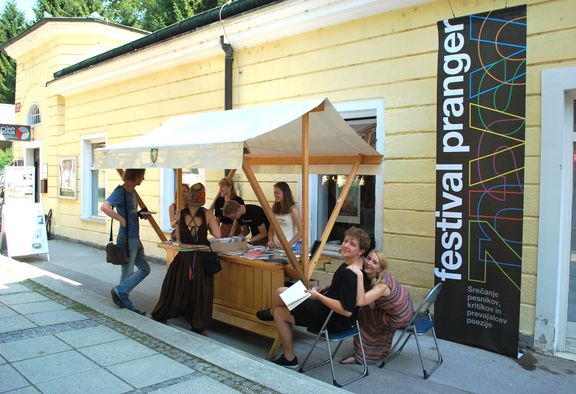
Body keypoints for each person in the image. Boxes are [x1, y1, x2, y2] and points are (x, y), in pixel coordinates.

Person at [257, 227, 371, 368]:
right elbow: (347, 291)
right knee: (280, 312)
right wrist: (327, 287)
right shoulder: (357, 265)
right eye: (345, 241)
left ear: (361, 251)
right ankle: (289, 358)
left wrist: (318, 296)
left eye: (352, 244)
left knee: (281, 292)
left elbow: (346, 311)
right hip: (331, 314)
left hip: (331, 320)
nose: (346, 245)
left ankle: (271, 312)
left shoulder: (350, 274)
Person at [152, 182, 221, 334]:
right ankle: (199, 324)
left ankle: (163, 313)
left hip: (184, 256)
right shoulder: (208, 214)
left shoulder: (180, 213)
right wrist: (212, 222)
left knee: (175, 287)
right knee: (202, 291)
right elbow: (218, 235)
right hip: (202, 257)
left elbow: (178, 237)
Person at [340, 250, 414, 365]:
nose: (369, 263)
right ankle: (381, 351)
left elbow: (361, 301)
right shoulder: (376, 275)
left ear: (380, 268)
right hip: (405, 307)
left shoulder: (382, 285)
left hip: (400, 316)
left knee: (363, 315)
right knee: (368, 309)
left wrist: (359, 275)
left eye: (375, 262)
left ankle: (363, 356)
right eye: (369, 259)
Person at [101, 169, 151, 315]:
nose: (144, 178)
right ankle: (122, 295)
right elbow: (104, 206)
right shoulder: (120, 191)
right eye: (142, 175)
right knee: (129, 271)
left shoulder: (132, 192)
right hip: (127, 238)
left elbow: (130, 212)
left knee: (143, 269)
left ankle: (121, 294)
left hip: (134, 237)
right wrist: (121, 219)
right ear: (135, 176)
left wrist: (140, 215)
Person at [266, 181, 302, 248]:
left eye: (277, 193)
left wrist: (287, 245)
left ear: (285, 193)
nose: (275, 195)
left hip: (289, 248)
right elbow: (271, 229)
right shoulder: (274, 209)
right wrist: (270, 240)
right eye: (274, 193)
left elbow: (301, 232)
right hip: (275, 247)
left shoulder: (293, 209)